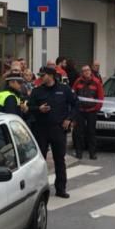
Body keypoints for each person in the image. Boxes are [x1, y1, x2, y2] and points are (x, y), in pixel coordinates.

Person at [28, 66, 77, 199]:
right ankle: (40, 188)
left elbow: (75, 104)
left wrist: (69, 119)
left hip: (58, 129)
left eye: (43, 75)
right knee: (40, 160)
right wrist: (39, 109)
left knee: (59, 159)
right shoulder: (37, 91)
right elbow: (29, 108)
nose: (41, 78)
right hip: (41, 129)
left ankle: (61, 188)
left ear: (51, 75)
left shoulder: (64, 89)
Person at [72, 65, 104, 160]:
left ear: (90, 71)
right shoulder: (78, 81)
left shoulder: (97, 82)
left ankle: (92, 153)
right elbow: (73, 94)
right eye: (84, 71)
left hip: (92, 111)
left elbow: (101, 97)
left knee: (91, 132)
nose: (86, 72)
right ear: (82, 72)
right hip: (80, 111)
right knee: (78, 132)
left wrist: (96, 108)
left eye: (87, 70)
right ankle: (79, 153)